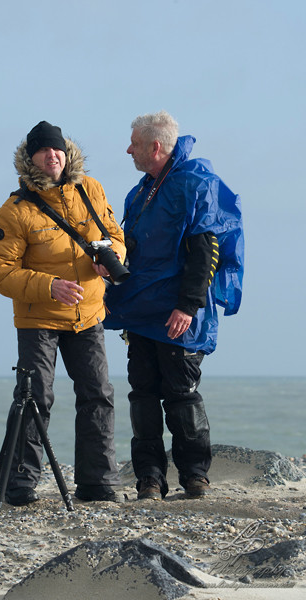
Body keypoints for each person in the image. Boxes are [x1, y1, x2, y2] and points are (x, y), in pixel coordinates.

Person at [0, 120, 126, 506]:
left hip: (89, 314)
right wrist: (50, 286)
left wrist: (109, 260)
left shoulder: (91, 189)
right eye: (44, 151)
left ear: (67, 152)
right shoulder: (14, 211)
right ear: (30, 158)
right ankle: (21, 483)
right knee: (36, 397)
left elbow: (115, 235)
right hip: (39, 320)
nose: (53, 155)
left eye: (57, 149)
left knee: (98, 394)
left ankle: (97, 484)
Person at [104, 110, 244, 500]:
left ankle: (195, 475)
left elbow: (207, 249)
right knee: (143, 394)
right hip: (140, 309)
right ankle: (149, 477)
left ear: (155, 146)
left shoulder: (196, 183)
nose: (127, 149)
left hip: (179, 312)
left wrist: (188, 306)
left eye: (134, 142)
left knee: (181, 394)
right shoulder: (140, 191)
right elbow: (130, 248)